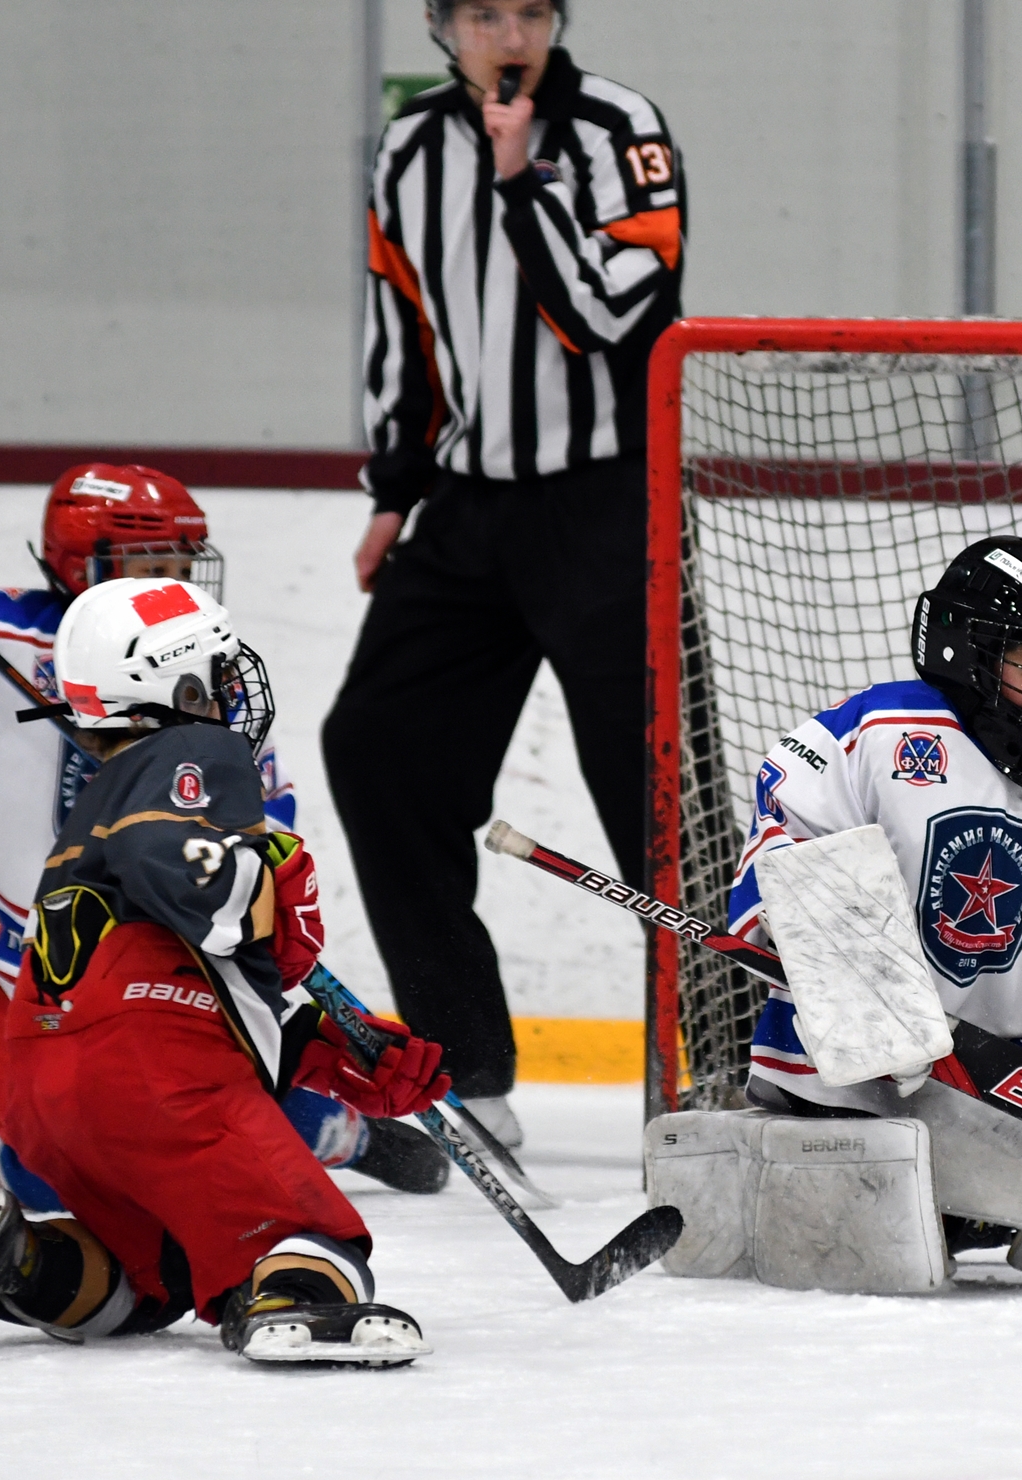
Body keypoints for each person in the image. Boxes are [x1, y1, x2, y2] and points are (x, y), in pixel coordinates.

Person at [0, 578, 450, 1363]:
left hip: (45, 1078)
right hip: (150, 1069)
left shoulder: (98, 799)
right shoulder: (196, 750)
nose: (233, 691)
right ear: (179, 686)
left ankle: (23, 1262)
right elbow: (180, 878)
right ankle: (295, 1309)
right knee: (308, 1233)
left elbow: (191, 990)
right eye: (219, 674)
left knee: (150, 1279)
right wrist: (260, 887)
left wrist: (340, 1049)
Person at [323, 0, 685, 1146]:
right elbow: (407, 334)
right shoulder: (408, 148)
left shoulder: (621, 130)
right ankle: (465, 1065)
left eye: (530, 9)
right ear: (442, 28)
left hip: (605, 500)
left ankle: (723, 1058)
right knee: (377, 748)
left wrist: (523, 176)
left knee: (656, 794)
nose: (508, 32)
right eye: (482, 13)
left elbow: (610, 320)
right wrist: (395, 491)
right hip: (469, 507)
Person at [0, 464, 447, 1202]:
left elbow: (260, 811)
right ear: (77, 565)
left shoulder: (201, 665)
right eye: (150, 567)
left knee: (220, 1127)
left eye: (182, 567)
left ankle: (342, 1132)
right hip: (18, 952)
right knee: (6, 1164)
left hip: (161, 959)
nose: (172, 587)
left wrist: (234, 887)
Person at [729, 535, 1022, 1119]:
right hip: (829, 1082)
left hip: (1018, 1103)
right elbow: (784, 867)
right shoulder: (871, 733)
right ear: (968, 650)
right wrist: (874, 1007)